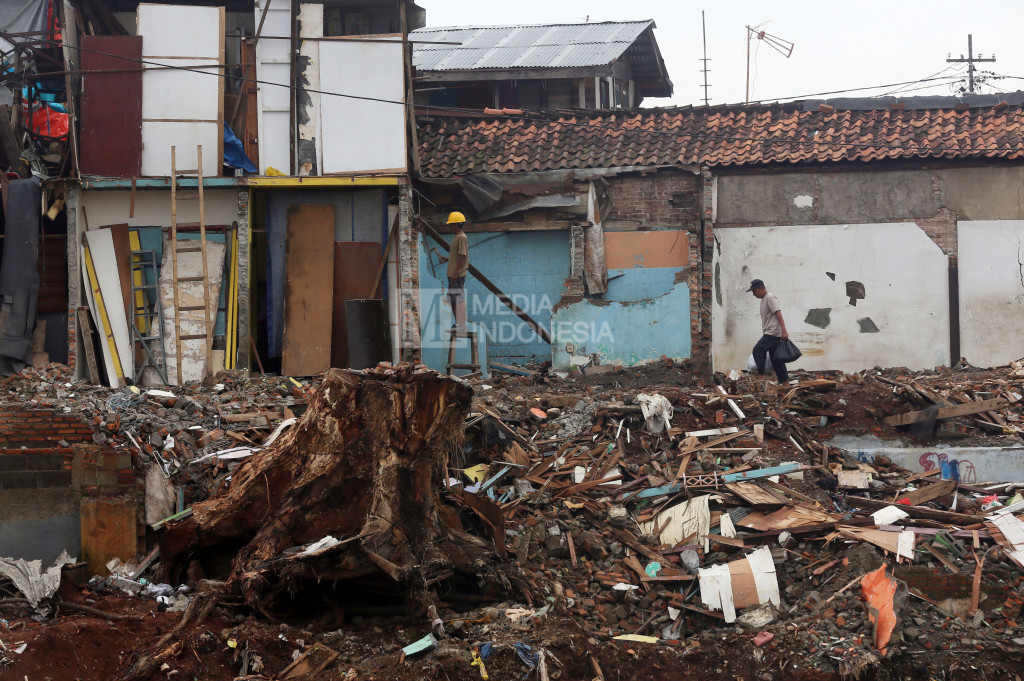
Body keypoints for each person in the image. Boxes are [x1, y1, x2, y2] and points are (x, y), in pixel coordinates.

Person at [747, 279, 790, 384]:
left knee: (758, 349)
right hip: (771, 332)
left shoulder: (770, 298)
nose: (753, 294)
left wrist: (784, 331)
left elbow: (778, 314)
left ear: (761, 288)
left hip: (773, 332)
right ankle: (785, 382)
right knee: (777, 360)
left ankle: (761, 375)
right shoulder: (763, 300)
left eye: (754, 291)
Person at [446, 211, 469, 331]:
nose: (450, 227)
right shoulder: (457, 238)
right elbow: (457, 256)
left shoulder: (461, 238)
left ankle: (462, 324)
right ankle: (458, 324)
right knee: (453, 300)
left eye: (451, 224)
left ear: (457, 224)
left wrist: (455, 272)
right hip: (452, 274)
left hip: (457, 275)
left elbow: (462, 256)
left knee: (459, 299)